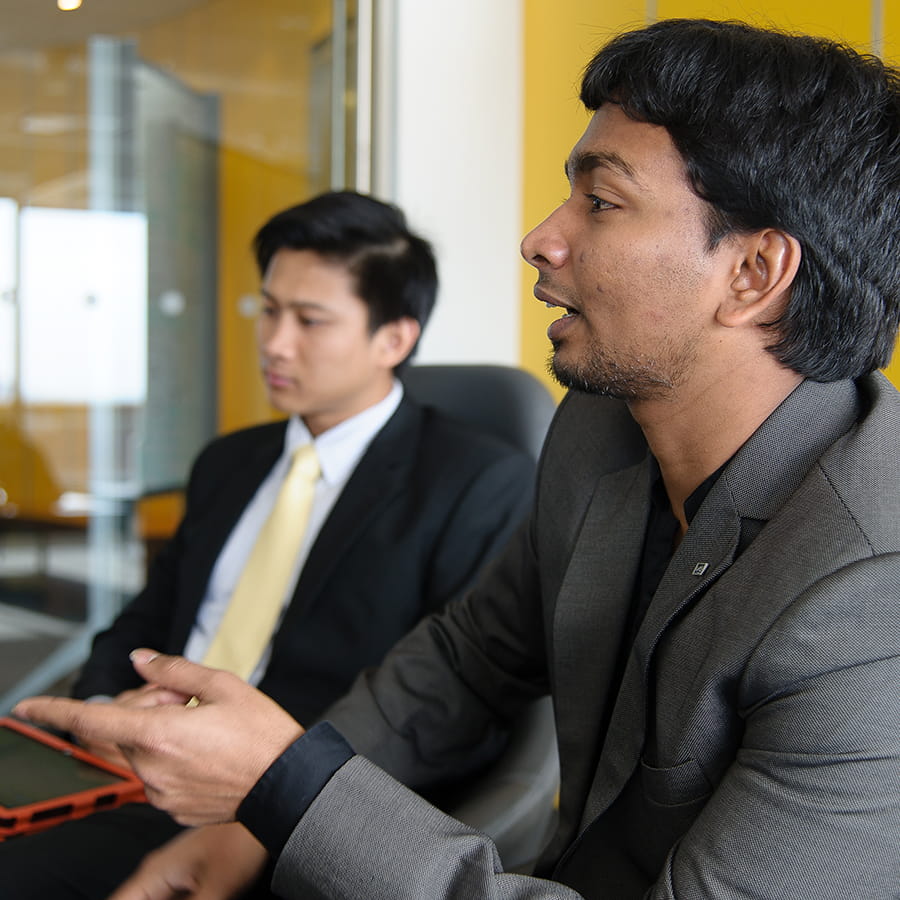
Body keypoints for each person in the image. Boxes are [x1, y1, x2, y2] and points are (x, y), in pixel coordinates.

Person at [15, 17, 900, 900]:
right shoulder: (598, 434)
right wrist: (249, 830)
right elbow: (464, 662)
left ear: (754, 273)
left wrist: (283, 787)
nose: (541, 238)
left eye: (601, 201)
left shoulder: (871, 603)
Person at [1, 190, 535, 899]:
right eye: (269, 310)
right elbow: (142, 621)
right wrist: (108, 709)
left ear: (395, 339)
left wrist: (279, 801)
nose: (276, 343)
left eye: (310, 320)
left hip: (277, 811)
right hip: (126, 772)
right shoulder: (228, 462)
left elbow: (449, 711)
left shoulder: (476, 483)